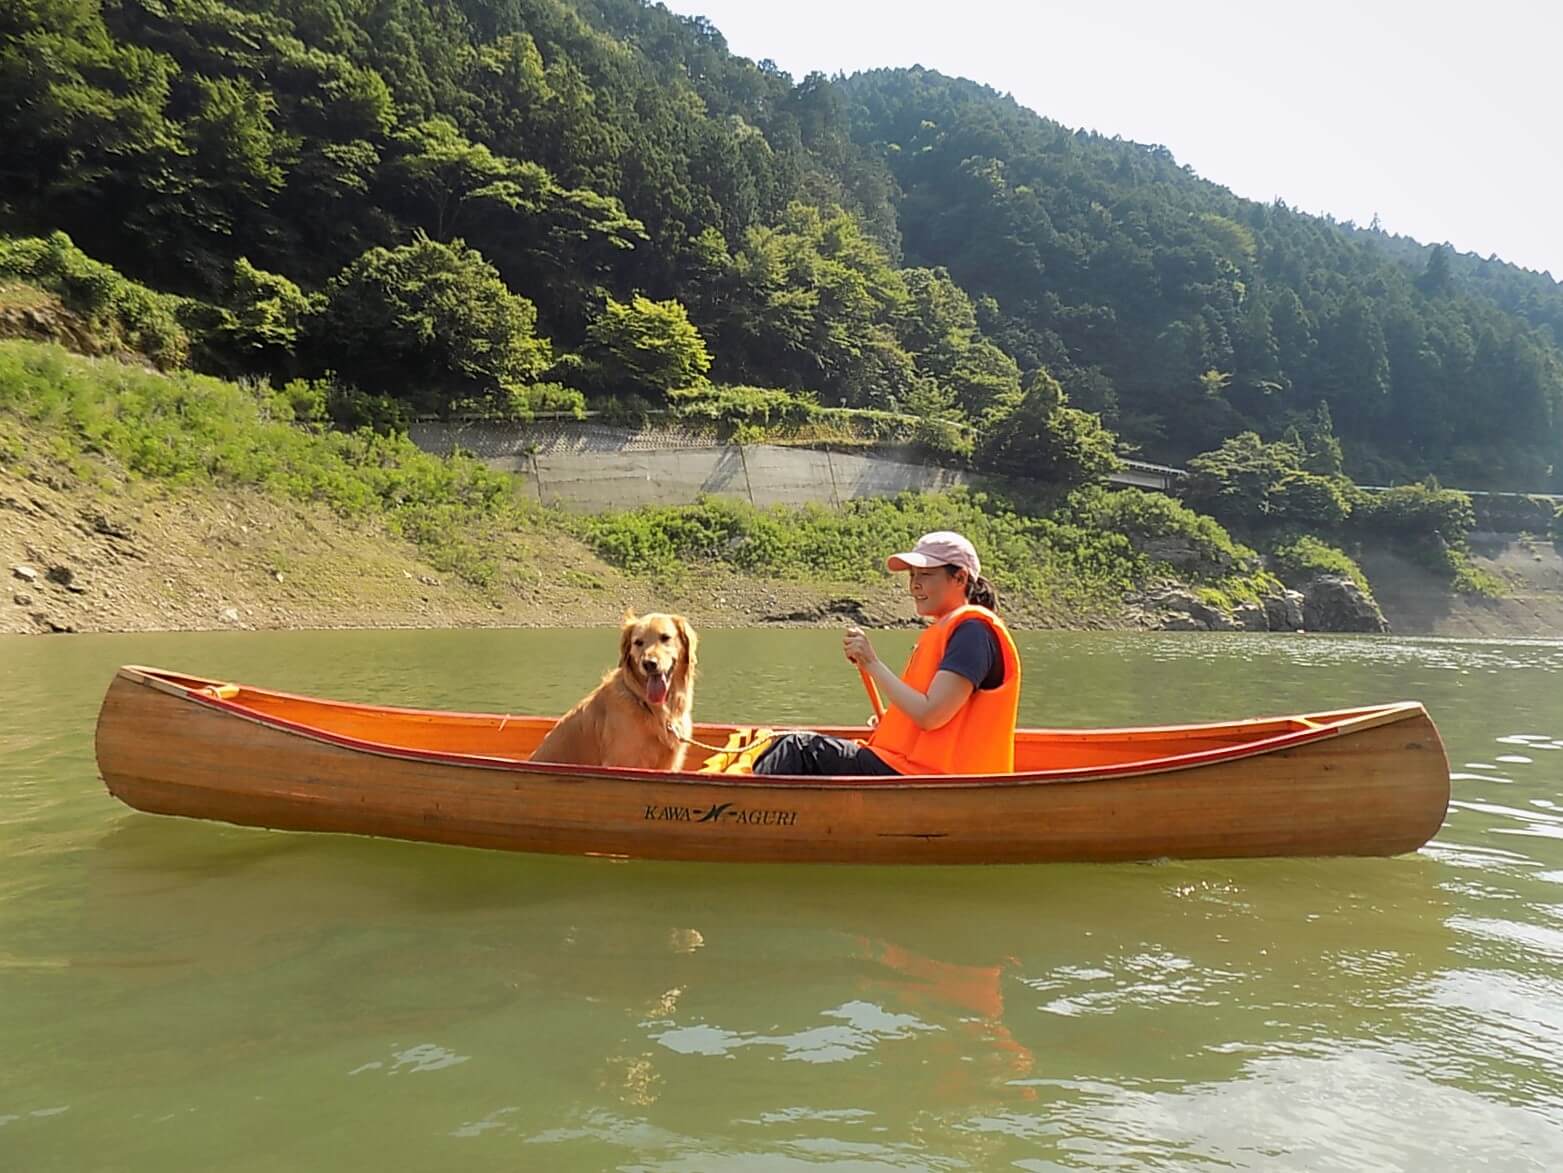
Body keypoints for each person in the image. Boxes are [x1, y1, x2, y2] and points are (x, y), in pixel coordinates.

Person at [752, 531, 1022, 776]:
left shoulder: (972, 632)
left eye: (925, 575)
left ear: (960, 578)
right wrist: (893, 722)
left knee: (797, 748)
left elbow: (930, 715)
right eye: (912, 575)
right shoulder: (954, 629)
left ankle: (742, 807)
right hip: (910, 769)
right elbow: (928, 713)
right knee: (788, 746)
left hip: (926, 779)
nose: (914, 585)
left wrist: (871, 663)